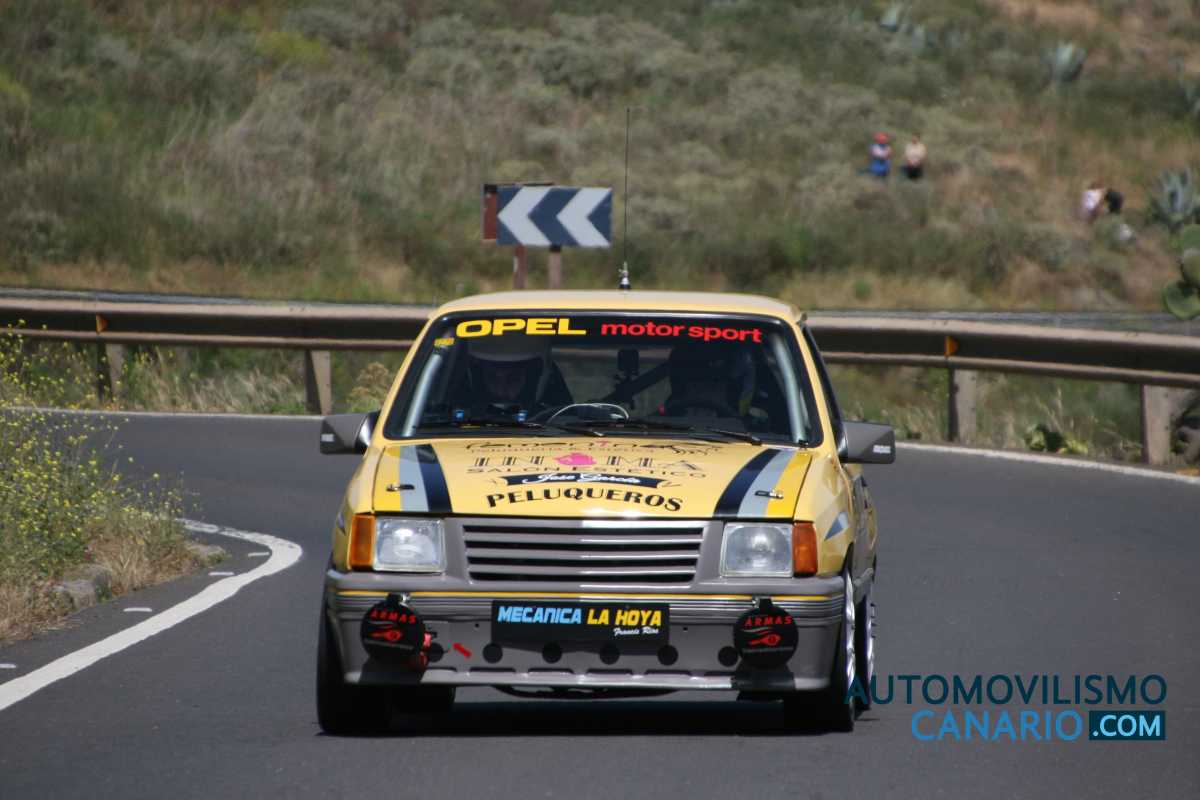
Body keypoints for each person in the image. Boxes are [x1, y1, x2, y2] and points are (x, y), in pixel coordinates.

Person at [662, 341, 756, 420]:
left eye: (713, 382)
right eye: (695, 383)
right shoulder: (662, 417)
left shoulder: (747, 427)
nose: (702, 392)